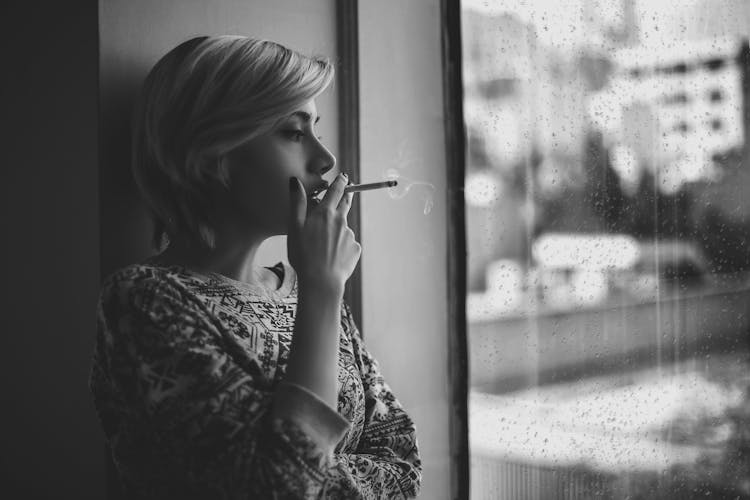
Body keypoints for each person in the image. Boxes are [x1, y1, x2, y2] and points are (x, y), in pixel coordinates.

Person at [89, 35, 422, 499]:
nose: (325, 160)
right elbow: (282, 488)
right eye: (293, 131)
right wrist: (324, 289)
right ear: (211, 153)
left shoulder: (302, 293)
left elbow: (401, 461)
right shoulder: (145, 302)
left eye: (316, 129)